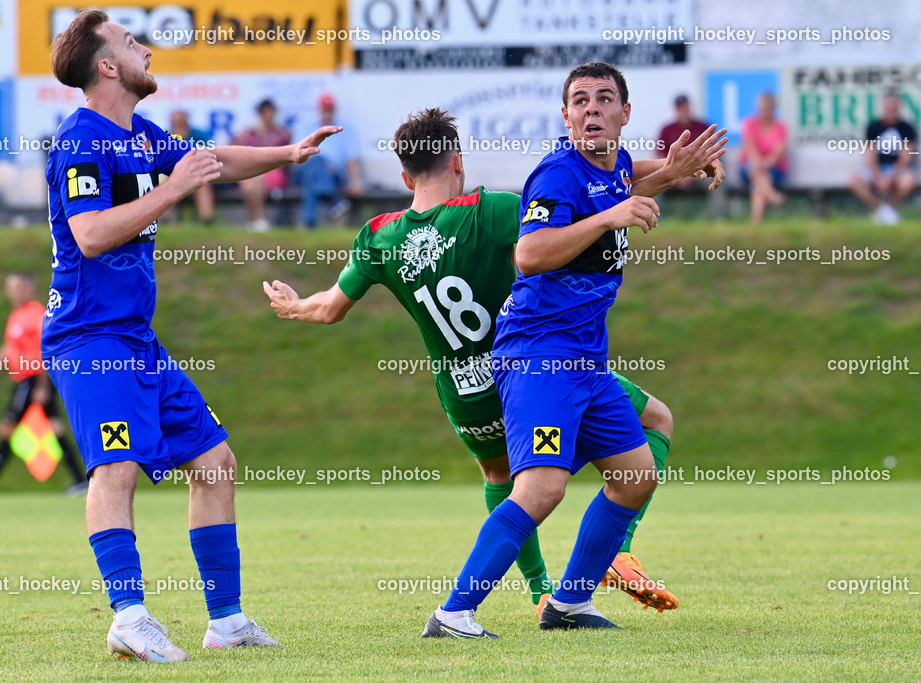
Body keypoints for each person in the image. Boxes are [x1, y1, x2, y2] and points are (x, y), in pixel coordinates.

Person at [264, 101, 724, 629]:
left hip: (465, 389)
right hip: (532, 366)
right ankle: (493, 600)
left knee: (503, 477)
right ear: (457, 162)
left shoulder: (378, 237)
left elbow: (328, 310)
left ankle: (549, 592)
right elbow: (576, 207)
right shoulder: (495, 211)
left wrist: (293, 306)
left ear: (403, 173)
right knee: (581, 464)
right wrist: (665, 175)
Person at [43, 9, 338, 661]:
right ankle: (128, 615)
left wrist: (286, 154)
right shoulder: (80, 139)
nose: (144, 46)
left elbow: (213, 162)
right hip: (89, 339)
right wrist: (173, 189)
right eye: (128, 41)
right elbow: (91, 235)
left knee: (214, 460)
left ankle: (226, 620)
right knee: (115, 467)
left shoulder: (140, 135)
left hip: (136, 340)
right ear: (107, 66)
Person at [419, 62, 725, 638]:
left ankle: (569, 604)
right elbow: (530, 254)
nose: (591, 109)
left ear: (624, 114)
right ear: (565, 117)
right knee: (541, 488)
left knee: (636, 475)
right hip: (538, 357)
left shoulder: (615, 168)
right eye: (579, 100)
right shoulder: (559, 175)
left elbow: (633, 177)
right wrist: (613, 216)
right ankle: (452, 614)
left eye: (604, 99)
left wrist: (680, 168)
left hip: (585, 362)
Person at [0, 272, 88, 497]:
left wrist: (42, 386)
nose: (14, 292)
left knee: (8, 428)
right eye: (11, 287)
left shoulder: (37, 315)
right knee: (54, 428)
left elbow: (48, 351)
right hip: (25, 380)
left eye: (19, 287)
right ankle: (80, 479)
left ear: (30, 288)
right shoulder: (16, 317)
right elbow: (8, 351)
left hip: (33, 380)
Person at [290, 93, 364, 227]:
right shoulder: (305, 127)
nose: (327, 114)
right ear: (319, 109)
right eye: (325, 110)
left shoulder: (344, 129)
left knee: (314, 176)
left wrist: (355, 181)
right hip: (307, 168)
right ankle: (335, 202)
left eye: (329, 110)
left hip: (334, 174)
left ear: (334, 110)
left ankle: (309, 220)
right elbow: (296, 155)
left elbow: (351, 160)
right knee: (316, 162)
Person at [848, 90, 918, 225]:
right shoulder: (873, 127)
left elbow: (906, 156)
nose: (891, 108)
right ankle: (880, 209)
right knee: (854, 180)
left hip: (897, 169)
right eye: (888, 105)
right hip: (877, 169)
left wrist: (891, 176)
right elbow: (870, 154)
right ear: (883, 106)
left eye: (894, 105)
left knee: (908, 181)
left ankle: (890, 209)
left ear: (899, 106)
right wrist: (878, 176)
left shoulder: (907, 128)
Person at [657, 95, 726, 218]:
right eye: (680, 108)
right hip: (673, 171)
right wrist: (679, 173)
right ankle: (654, 220)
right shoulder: (667, 129)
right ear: (676, 109)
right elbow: (659, 155)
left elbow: (712, 152)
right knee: (654, 182)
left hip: (700, 172)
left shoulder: (702, 127)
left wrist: (691, 172)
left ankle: (719, 219)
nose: (683, 111)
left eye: (685, 107)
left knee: (717, 180)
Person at [232, 99, 291, 232]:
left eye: (271, 112)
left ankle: (256, 220)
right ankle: (257, 220)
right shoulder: (249, 134)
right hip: (252, 173)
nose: (268, 115)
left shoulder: (282, 135)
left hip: (274, 173)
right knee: (253, 178)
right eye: (265, 112)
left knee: (255, 177)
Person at [739, 92, 788, 224]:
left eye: (769, 108)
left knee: (757, 188)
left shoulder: (780, 127)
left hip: (773, 169)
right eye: (763, 108)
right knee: (754, 170)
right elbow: (749, 148)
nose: (766, 112)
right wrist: (758, 164)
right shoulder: (750, 124)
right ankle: (772, 195)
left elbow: (778, 153)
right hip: (750, 168)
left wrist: (764, 165)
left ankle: (755, 227)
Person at [169, 110, 215, 225]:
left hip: (199, 174)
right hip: (173, 175)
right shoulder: (166, 137)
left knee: (202, 183)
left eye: (181, 122)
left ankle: (207, 220)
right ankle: (166, 221)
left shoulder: (200, 136)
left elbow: (212, 155)